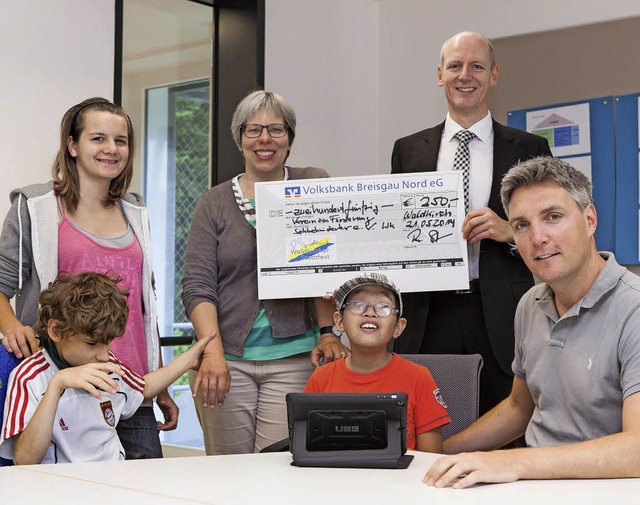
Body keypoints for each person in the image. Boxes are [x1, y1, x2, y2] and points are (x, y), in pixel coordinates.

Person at [424, 157, 640, 487]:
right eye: (522, 225)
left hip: (606, 488)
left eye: (553, 217)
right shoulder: (530, 303)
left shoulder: (633, 308)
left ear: (590, 219)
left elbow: (636, 450)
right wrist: (438, 456)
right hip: (532, 486)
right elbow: (518, 408)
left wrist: (513, 460)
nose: (537, 237)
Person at [0, 97, 176, 459]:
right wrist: (11, 326)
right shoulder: (35, 207)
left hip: (129, 385)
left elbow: (146, 303)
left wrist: (159, 385)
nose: (111, 149)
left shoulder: (135, 210)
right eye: (98, 138)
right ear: (72, 145)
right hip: (64, 383)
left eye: (121, 140)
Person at [391, 31, 552, 415]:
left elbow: (553, 228)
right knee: (427, 426)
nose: (466, 75)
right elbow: (395, 233)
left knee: (509, 423)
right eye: (455, 66)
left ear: (494, 75)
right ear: (440, 75)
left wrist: (508, 230)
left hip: (501, 311)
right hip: (428, 313)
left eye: (477, 66)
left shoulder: (530, 149)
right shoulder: (408, 149)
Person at [182, 90, 347, 455]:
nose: (265, 140)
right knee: (228, 475)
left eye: (276, 130)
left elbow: (325, 269)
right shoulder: (214, 203)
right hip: (225, 360)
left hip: (295, 359)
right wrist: (212, 354)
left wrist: (327, 333)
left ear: (290, 138)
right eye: (253, 130)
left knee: (278, 471)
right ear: (239, 139)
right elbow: (197, 286)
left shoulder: (312, 183)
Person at [0, 272, 211, 465]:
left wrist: (188, 360)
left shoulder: (105, 363)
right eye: (91, 344)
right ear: (56, 330)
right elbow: (25, 459)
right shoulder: (29, 377)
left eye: (108, 342)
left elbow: (142, 387)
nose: (103, 355)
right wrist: (57, 385)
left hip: (112, 482)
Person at [304, 273, 450, 453]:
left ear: (398, 327)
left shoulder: (418, 377)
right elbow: (308, 449)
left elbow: (431, 458)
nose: (370, 312)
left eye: (383, 307)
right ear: (339, 322)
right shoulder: (321, 378)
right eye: (358, 305)